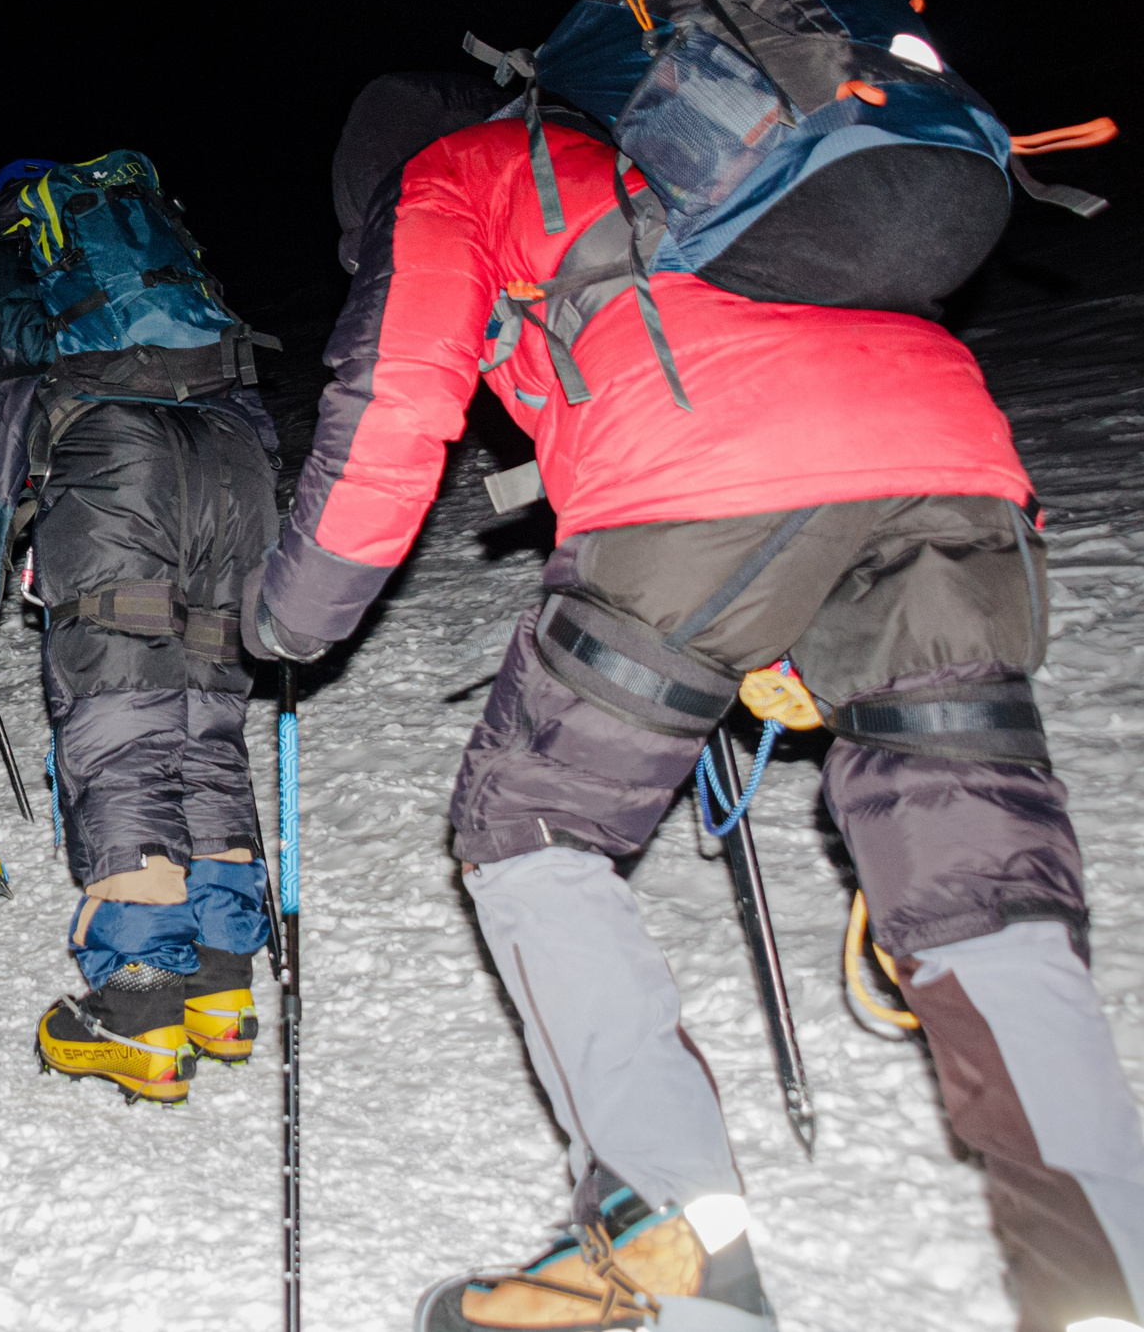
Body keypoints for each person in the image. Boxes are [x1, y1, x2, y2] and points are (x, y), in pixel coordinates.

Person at [252, 94, 1144, 1326]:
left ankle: (669, 1239)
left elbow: (395, 396)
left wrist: (296, 613)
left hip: (698, 484)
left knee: (533, 831)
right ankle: (1105, 1275)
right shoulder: (690, 145)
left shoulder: (450, 174)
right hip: (954, 466)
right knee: (978, 875)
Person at [0, 153, 281, 1104]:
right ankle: (221, 985)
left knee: (120, 720)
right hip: (238, 462)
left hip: (118, 465)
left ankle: (139, 1005)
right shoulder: (155, 258)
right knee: (204, 716)